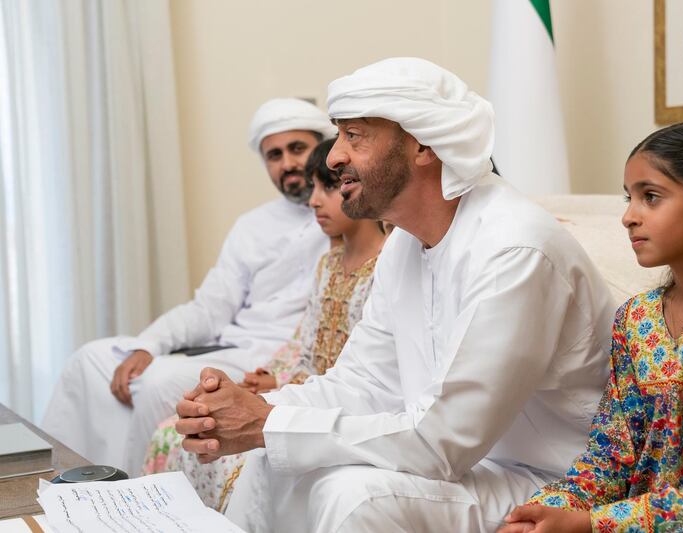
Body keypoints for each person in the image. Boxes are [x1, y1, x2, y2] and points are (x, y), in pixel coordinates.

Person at [173, 57, 616, 533]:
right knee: (276, 461)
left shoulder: (514, 249)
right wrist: (250, 409)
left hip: (556, 482)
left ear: (423, 144)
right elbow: (364, 383)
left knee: (352, 498)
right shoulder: (405, 241)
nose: (334, 157)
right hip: (474, 467)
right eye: (338, 135)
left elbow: (443, 441)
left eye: (355, 137)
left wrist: (267, 424)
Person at [501, 121, 683, 533]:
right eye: (629, 198)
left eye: (650, 197)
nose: (627, 217)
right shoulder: (636, 321)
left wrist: (590, 524)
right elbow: (608, 458)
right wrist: (544, 511)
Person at [41, 98, 336, 475]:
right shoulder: (252, 225)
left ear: (324, 150)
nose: (288, 163)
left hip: (266, 358)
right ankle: (54, 482)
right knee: (90, 360)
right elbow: (209, 307)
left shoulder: (349, 216)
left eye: (297, 148)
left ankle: (126, 497)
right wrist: (148, 344)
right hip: (226, 345)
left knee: (158, 383)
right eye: (274, 155)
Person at [141, 138, 385, 512]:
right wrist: (272, 375)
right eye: (315, 187)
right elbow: (305, 342)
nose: (314, 200)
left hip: (339, 405)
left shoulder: (386, 266)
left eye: (330, 187)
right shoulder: (328, 265)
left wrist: (283, 387)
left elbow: (361, 369)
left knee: (232, 450)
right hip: (302, 388)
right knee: (175, 432)